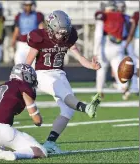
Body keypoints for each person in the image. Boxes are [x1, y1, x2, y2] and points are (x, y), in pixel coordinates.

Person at [26, 10, 101, 153]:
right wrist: (23, 79)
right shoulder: (39, 37)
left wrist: (91, 66)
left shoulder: (69, 36)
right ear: (50, 28)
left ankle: (49, 143)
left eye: (64, 33)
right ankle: (86, 108)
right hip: (42, 74)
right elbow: (28, 62)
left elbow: (79, 57)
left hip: (59, 73)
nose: (62, 36)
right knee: (63, 92)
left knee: (68, 111)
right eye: (59, 32)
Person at [0, 63, 47, 161]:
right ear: (25, 76)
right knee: (41, 151)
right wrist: (38, 117)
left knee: (0, 118)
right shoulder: (23, 86)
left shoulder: (1, 86)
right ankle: (14, 155)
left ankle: (0, 149)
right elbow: (37, 120)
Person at [93, 1, 128, 98]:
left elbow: (98, 35)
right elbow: (124, 34)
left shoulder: (102, 16)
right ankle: (125, 89)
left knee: (101, 70)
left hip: (105, 46)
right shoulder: (121, 16)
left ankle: (99, 92)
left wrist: (95, 51)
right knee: (118, 70)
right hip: (117, 46)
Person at [12, 0, 44, 66]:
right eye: (26, 5)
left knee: (33, 67)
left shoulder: (38, 15)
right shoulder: (19, 16)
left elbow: (41, 29)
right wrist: (13, 41)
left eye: (29, 5)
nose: (28, 7)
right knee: (19, 65)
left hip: (33, 44)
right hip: (22, 44)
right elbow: (16, 30)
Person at [122, 10, 139, 100]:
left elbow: (132, 30)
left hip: (138, 41)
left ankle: (135, 88)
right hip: (137, 41)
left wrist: (127, 43)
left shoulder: (137, 14)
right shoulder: (136, 14)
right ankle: (135, 87)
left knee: (137, 66)